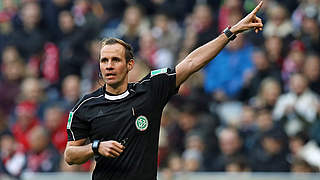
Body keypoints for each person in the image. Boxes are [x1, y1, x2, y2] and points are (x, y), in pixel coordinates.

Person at [64, 2, 264, 180]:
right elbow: (70, 155)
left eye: (115, 60)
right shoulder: (86, 106)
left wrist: (231, 32)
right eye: (104, 60)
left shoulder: (150, 90)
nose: (109, 66)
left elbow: (192, 62)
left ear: (130, 64)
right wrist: (96, 147)